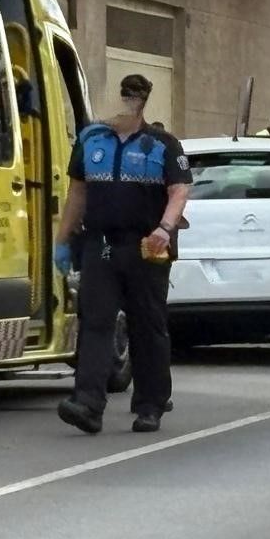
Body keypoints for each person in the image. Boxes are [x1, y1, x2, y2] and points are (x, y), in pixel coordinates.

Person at [53, 73, 191, 435]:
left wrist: (164, 228)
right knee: (96, 322)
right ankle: (88, 404)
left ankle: (150, 405)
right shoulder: (90, 140)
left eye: (135, 96)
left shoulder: (163, 144)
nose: (128, 102)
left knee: (148, 326)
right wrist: (63, 240)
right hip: (100, 244)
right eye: (124, 94)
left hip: (147, 247)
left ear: (143, 102)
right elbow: (77, 193)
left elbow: (179, 190)